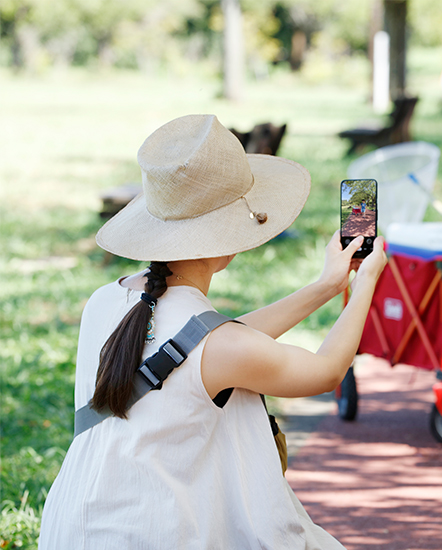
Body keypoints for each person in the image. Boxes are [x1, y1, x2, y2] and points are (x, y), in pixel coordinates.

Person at [39, 114, 387, 547]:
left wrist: (327, 286)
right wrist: (367, 281)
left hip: (73, 526)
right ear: (230, 239)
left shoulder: (106, 300)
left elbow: (207, 344)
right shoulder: (222, 347)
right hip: (155, 535)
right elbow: (327, 370)